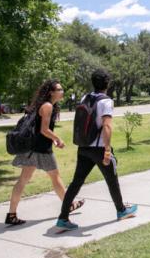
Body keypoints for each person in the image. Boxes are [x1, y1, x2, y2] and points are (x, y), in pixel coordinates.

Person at [56, 69, 137, 230]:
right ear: (108, 83)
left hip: (83, 147)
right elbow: (107, 125)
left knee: (76, 182)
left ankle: (63, 218)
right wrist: (107, 151)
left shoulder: (85, 97)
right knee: (112, 179)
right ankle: (121, 211)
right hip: (99, 148)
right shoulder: (106, 101)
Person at [6, 80, 84, 226]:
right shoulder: (47, 106)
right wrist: (57, 138)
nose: (62, 91)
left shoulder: (46, 105)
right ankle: (69, 205)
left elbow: (40, 130)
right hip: (40, 150)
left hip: (34, 149)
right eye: (59, 89)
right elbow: (44, 130)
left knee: (24, 180)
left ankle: (11, 214)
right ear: (51, 92)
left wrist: (52, 140)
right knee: (55, 178)